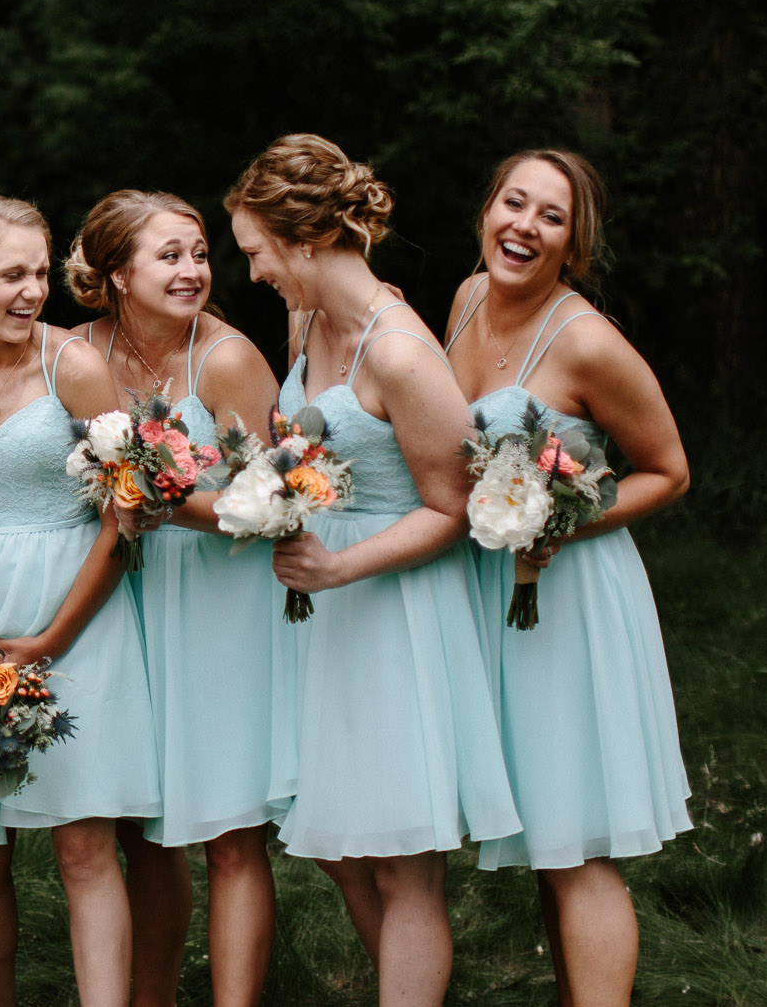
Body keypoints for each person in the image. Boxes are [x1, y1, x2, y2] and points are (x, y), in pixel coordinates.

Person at [225, 134, 519, 1006]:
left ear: (304, 240)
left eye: (255, 253)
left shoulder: (398, 352)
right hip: (327, 609)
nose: (253, 274)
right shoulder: (308, 319)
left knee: (401, 863)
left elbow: (454, 505)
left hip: (392, 612)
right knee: (335, 841)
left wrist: (339, 564)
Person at [444, 150, 691, 1005]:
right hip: (495, 594)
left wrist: (563, 516)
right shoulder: (467, 298)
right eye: (514, 202)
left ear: (573, 246)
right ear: (487, 210)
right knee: (548, 840)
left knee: (577, 842)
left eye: (551, 217)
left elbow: (667, 470)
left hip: (570, 598)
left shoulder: (586, 339)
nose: (525, 225)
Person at [0, 191, 159, 1007]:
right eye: (11, 274)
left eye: (40, 272)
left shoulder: (72, 367)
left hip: (80, 607)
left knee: (84, 844)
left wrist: (51, 639)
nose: (32, 291)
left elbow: (128, 516)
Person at [65, 190, 290, 1007]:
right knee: (140, 829)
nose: (194, 270)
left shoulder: (225, 357)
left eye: (200, 252)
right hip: (120, 601)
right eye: (170, 255)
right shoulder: (74, 352)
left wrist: (170, 499)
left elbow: (285, 501)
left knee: (230, 835)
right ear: (117, 272)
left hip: (218, 605)